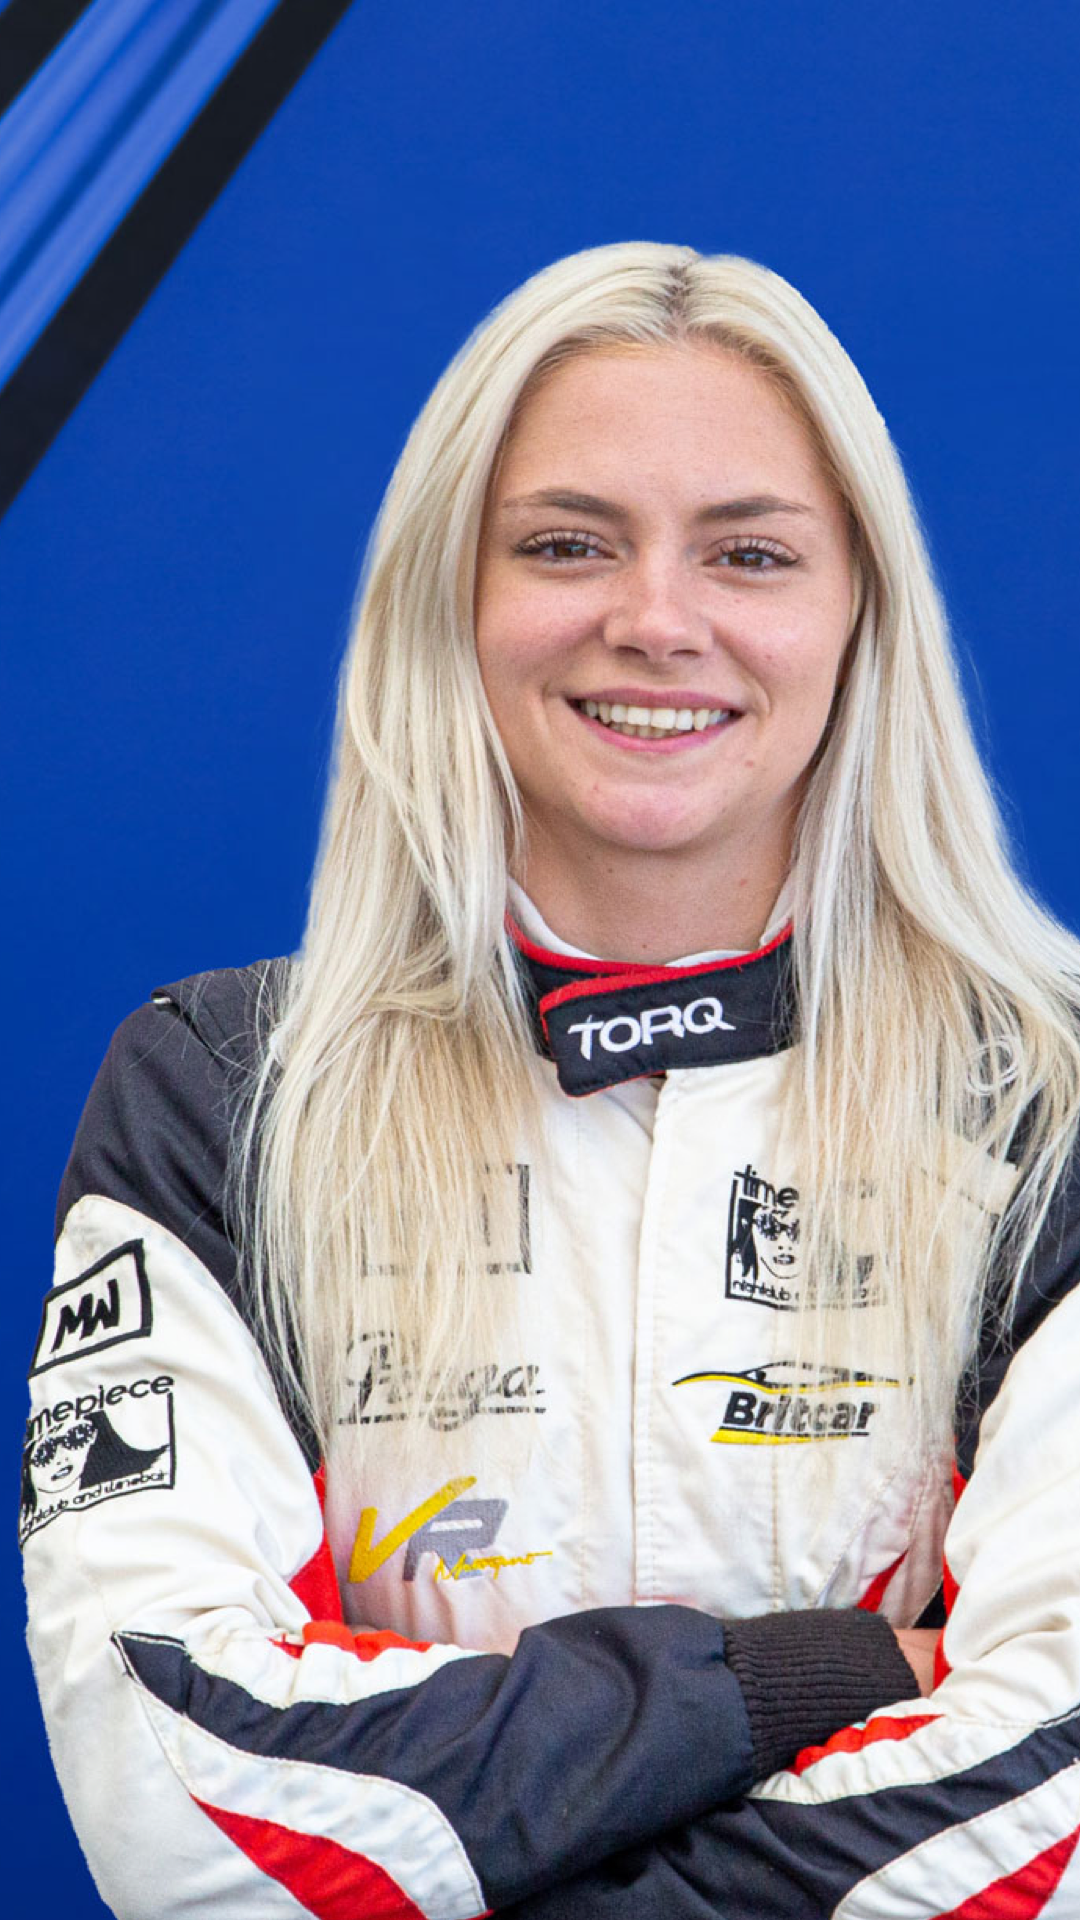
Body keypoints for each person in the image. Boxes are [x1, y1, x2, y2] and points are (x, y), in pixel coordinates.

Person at [23, 243, 1080, 1918]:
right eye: (567, 544)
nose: (655, 622)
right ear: (452, 599)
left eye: (749, 552)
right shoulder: (225, 1096)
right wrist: (795, 1680)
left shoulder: (1047, 1104)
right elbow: (175, 1798)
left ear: (860, 615)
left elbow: (1053, 1815)